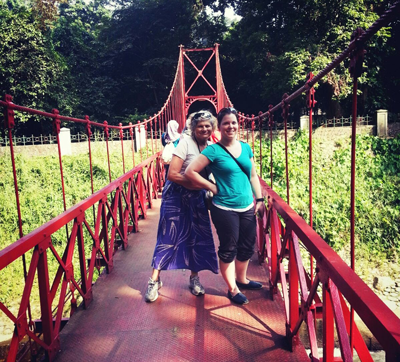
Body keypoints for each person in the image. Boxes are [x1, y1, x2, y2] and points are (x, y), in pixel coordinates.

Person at [185, 107, 265, 305]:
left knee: (247, 246)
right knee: (229, 248)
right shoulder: (213, 150)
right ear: (218, 127)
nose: (231, 126)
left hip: (247, 205)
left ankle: (242, 279)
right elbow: (190, 171)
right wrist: (211, 186)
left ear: (239, 124)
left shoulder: (246, 148)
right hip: (224, 208)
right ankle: (232, 288)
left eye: (234, 122)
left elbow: (253, 175)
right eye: (226, 123)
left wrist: (260, 199)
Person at [145, 110, 219, 303]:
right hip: (176, 197)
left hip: (197, 198)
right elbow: (173, 174)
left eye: (207, 125)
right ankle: (154, 280)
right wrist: (204, 185)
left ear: (212, 128)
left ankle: (194, 278)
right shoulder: (185, 143)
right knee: (168, 236)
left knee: (197, 236)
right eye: (200, 126)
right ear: (193, 128)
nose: (204, 129)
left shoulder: (211, 147)